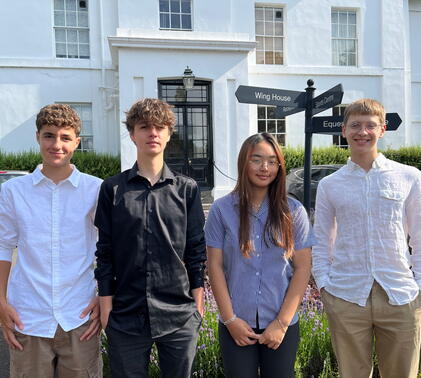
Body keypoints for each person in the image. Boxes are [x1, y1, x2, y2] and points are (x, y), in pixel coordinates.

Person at [94, 98, 206, 378]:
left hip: (179, 314)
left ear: (169, 134)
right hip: (125, 314)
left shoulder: (187, 190)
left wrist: (198, 307)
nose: (152, 133)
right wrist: (106, 307)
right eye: (144, 127)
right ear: (133, 134)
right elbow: (104, 251)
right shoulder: (112, 189)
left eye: (159, 127)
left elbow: (195, 250)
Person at [312, 98, 421, 378]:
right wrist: (324, 285)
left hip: (400, 295)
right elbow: (321, 240)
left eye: (370, 125)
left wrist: (418, 287)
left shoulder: (409, 177)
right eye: (355, 125)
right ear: (344, 131)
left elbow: (419, 236)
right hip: (346, 295)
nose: (363, 132)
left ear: (382, 130)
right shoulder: (329, 184)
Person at [0, 104, 103, 377]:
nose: (57, 144)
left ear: (77, 142)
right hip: (27, 315)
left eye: (65, 137)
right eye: (49, 135)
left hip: (80, 315)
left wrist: (102, 295)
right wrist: (0, 301)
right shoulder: (12, 192)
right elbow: (3, 246)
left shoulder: (97, 189)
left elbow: (111, 247)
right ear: (37, 137)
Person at [205, 132, 312, 378]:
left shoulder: (293, 211)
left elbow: (303, 268)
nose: (265, 167)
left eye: (272, 161)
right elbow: (215, 266)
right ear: (244, 162)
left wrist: (281, 323)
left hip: (281, 324)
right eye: (257, 159)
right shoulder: (221, 210)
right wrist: (230, 320)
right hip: (236, 324)